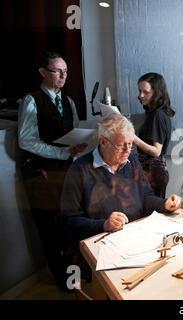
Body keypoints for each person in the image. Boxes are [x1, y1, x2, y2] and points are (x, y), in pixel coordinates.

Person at [59, 114, 181, 261]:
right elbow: (68, 221)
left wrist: (165, 204)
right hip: (102, 248)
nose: (127, 150)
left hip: (135, 241)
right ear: (103, 142)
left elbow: (145, 197)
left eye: (130, 144)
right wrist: (103, 225)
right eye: (121, 146)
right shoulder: (79, 170)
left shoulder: (131, 161)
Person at [17, 51, 87, 291]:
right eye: (58, 71)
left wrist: (78, 148)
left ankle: (77, 274)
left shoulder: (68, 102)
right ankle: (65, 282)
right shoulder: (31, 100)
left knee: (72, 222)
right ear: (43, 72)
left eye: (66, 71)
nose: (63, 76)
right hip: (41, 174)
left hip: (67, 171)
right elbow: (26, 141)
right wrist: (62, 153)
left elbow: (75, 131)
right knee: (50, 228)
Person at [133, 73, 175, 198]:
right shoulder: (154, 114)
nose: (141, 96)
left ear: (157, 93)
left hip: (153, 173)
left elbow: (156, 151)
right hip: (150, 172)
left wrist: (133, 138)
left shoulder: (157, 115)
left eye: (146, 92)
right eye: (140, 91)